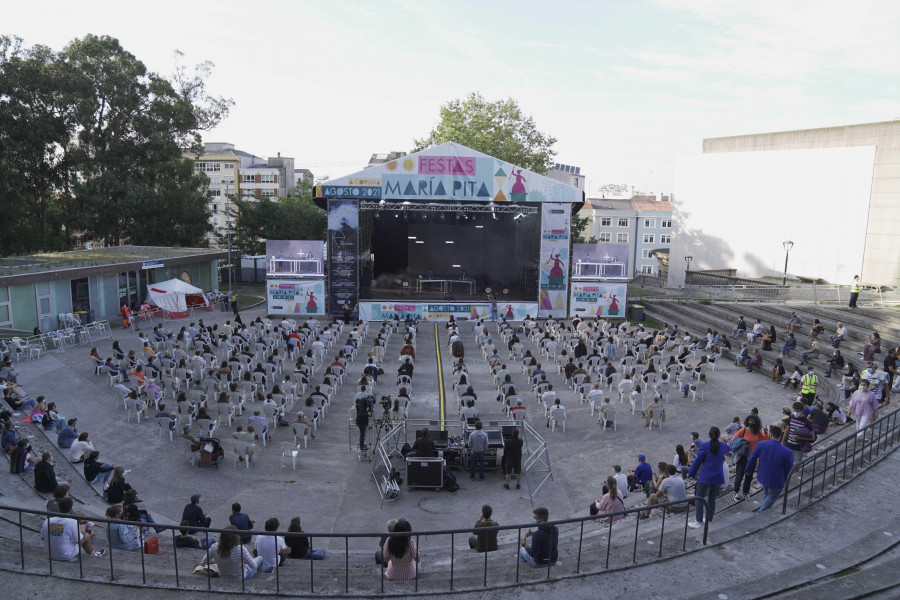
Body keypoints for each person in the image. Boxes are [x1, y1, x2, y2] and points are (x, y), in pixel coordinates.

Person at [687, 427, 732, 528]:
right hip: (718, 477)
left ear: (710, 434)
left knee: (699, 498)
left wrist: (691, 473)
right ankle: (709, 519)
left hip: (706, 476)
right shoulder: (722, 445)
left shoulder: (705, 445)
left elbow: (698, 461)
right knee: (712, 499)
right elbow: (729, 448)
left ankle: (698, 521)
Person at [746, 425, 794, 512]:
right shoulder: (787, 452)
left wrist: (748, 470)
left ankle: (764, 509)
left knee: (766, 492)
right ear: (781, 436)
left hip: (763, 475)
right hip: (777, 479)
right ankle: (761, 512)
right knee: (772, 495)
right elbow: (789, 468)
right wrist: (786, 479)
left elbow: (753, 458)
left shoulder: (761, 444)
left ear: (770, 434)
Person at [41, 497, 105, 560]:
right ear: (70, 509)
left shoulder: (48, 520)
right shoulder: (72, 522)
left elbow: (42, 538)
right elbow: (79, 541)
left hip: (50, 554)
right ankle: (93, 554)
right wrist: (85, 531)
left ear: (59, 508)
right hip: (66, 555)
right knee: (86, 535)